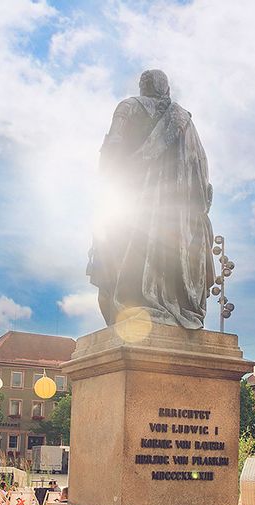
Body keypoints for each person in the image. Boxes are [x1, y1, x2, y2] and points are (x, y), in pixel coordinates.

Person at [87, 69, 215, 329]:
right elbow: (200, 167)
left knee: (122, 249)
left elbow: (112, 148)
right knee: (163, 251)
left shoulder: (128, 107)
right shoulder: (183, 120)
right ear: (166, 88)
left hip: (132, 199)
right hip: (176, 213)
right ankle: (171, 304)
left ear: (142, 86)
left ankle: (135, 302)